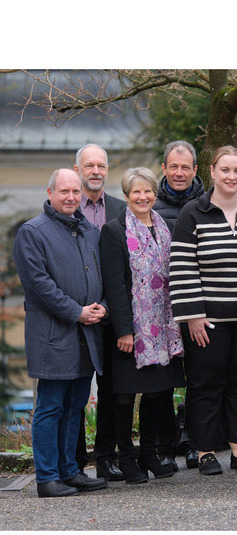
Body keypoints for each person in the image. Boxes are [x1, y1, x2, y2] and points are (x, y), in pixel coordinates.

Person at [169, 146, 237, 475]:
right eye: (225, 170)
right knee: (205, 384)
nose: (231, 176)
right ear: (211, 172)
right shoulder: (192, 213)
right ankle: (206, 451)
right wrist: (193, 315)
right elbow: (181, 267)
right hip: (207, 321)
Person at [13, 168, 109, 497]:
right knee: (51, 406)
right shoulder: (32, 232)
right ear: (50, 193)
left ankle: (70, 471)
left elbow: (103, 276)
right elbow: (38, 285)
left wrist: (102, 307)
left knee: (75, 407)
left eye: (75, 192)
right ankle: (47, 478)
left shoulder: (89, 231)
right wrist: (76, 312)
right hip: (53, 335)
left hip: (87, 335)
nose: (70, 197)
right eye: (64, 191)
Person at [99, 167, 185, 483]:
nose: (142, 196)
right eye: (136, 191)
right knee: (125, 396)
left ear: (154, 194)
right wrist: (124, 330)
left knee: (158, 394)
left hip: (162, 328)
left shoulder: (166, 227)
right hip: (132, 331)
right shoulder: (113, 231)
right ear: (127, 195)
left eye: (147, 191)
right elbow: (114, 285)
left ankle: (150, 454)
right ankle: (126, 458)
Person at [73, 143, 126, 482]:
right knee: (76, 393)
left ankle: (107, 457)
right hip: (76, 317)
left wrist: (108, 305)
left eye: (101, 165)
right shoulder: (65, 206)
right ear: (77, 170)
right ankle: (75, 463)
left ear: (107, 170)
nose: (95, 171)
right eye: (89, 165)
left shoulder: (121, 209)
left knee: (112, 392)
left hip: (112, 315)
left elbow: (126, 266)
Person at [154, 140, 205, 470]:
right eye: (173, 166)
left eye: (185, 167)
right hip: (161, 307)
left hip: (199, 304)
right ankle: (164, 443)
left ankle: (193, 441)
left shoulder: (208, 204)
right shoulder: (151, 205)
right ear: (164, 168)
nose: (179, 173)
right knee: (162, 379)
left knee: (199, 376)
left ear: (195, 170)